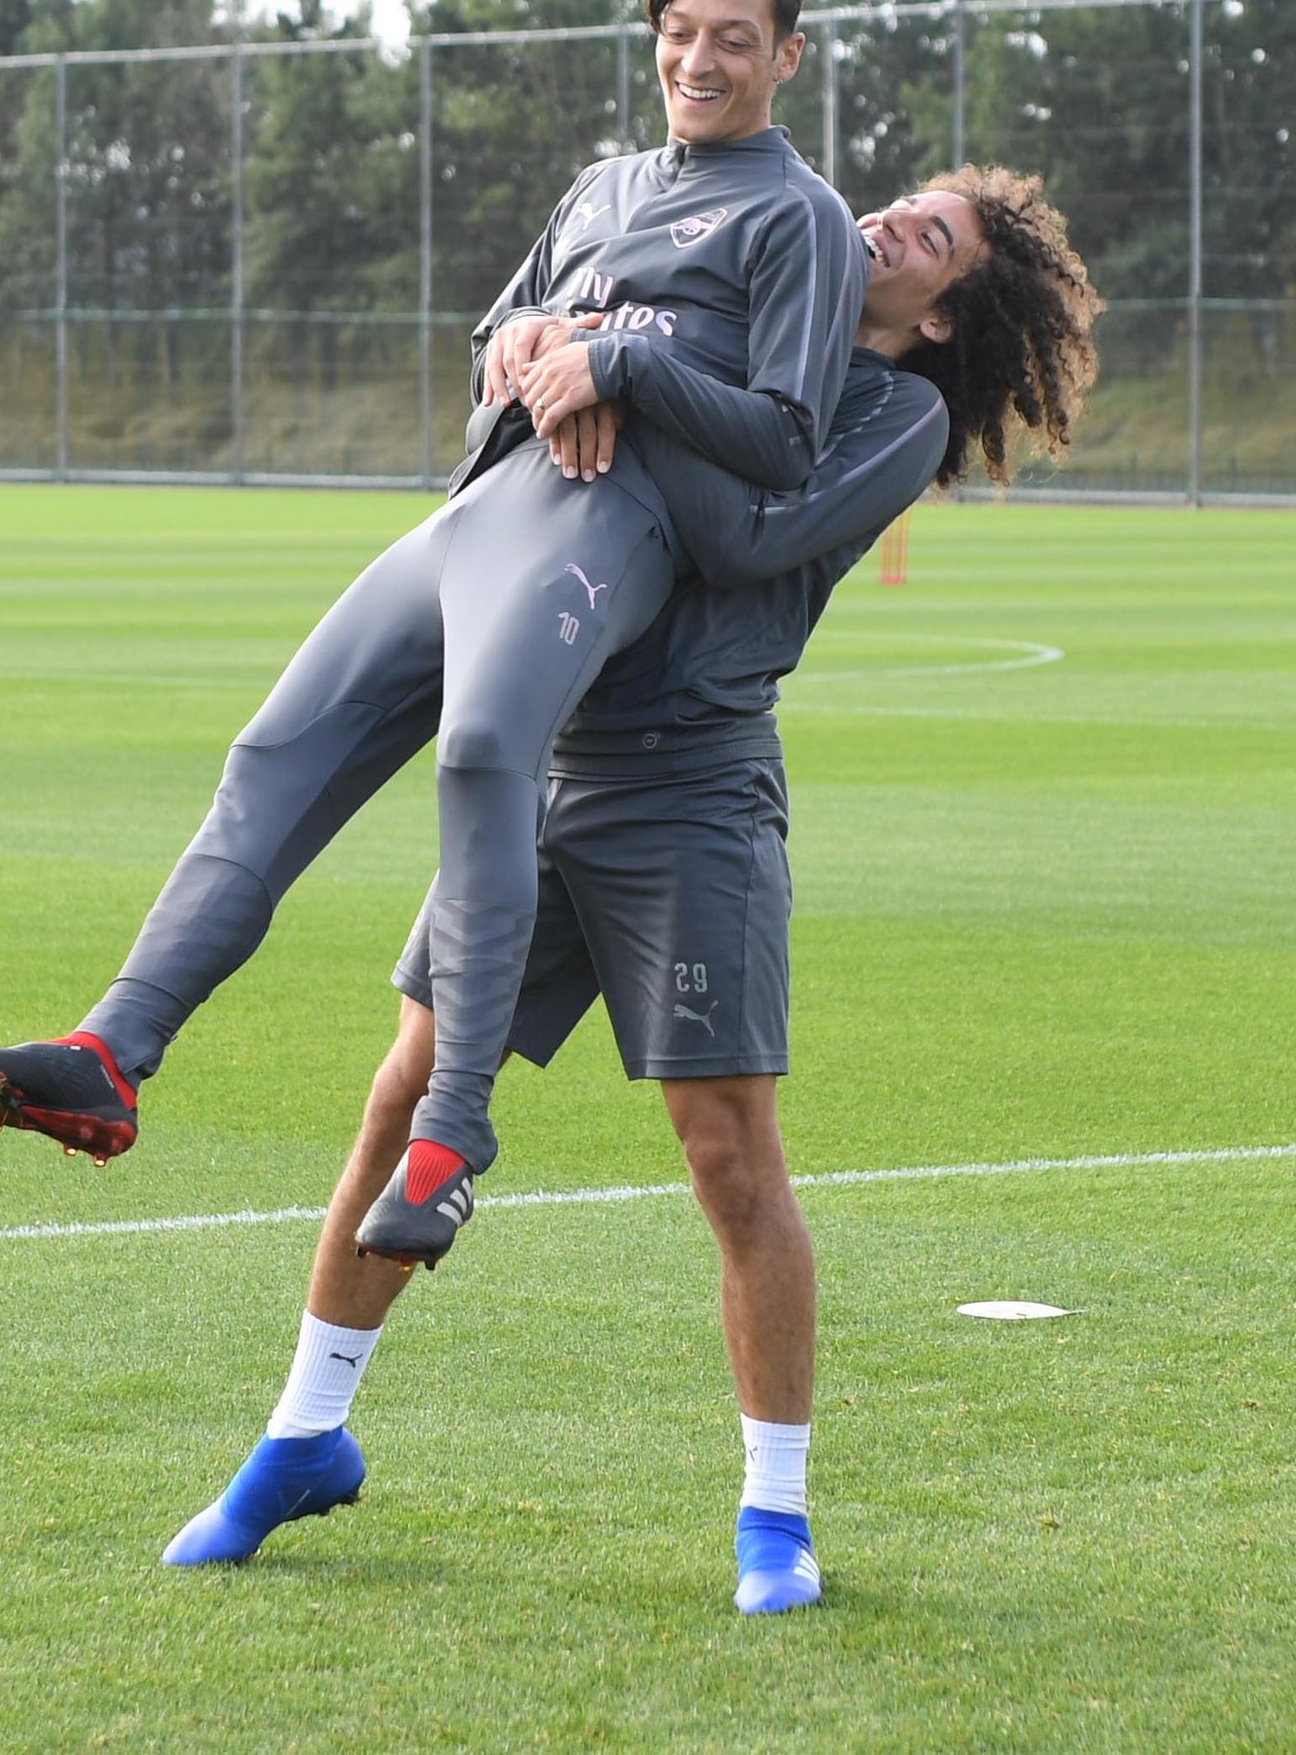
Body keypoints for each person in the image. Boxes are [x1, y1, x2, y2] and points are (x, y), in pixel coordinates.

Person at [156, 166, 1105, 1616]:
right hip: (547, 755)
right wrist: (552, 356)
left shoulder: (890, 415)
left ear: (937, 319)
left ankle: (774, 1518)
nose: (887, 227)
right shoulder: (726, 314)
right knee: (404, 1087)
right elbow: (547, 360)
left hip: (690, 785)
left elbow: (740, 534)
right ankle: (302, 1435)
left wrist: (625, 372)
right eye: (898, 204)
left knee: (726, 1152)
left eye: (931, 240)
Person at [0, 0, 870, 1268]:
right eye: (680, 30)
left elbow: (785, 438)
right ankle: (110, 1052)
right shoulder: (599, 188)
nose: (698, 57)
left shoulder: (802, 218)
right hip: (477, 520)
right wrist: (532, 341)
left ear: (785, 54)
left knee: (485, 755)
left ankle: (452, 1135)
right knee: (274, 751)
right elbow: (494, 340)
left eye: (732, 35)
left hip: (606, 534)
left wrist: (623, 367)